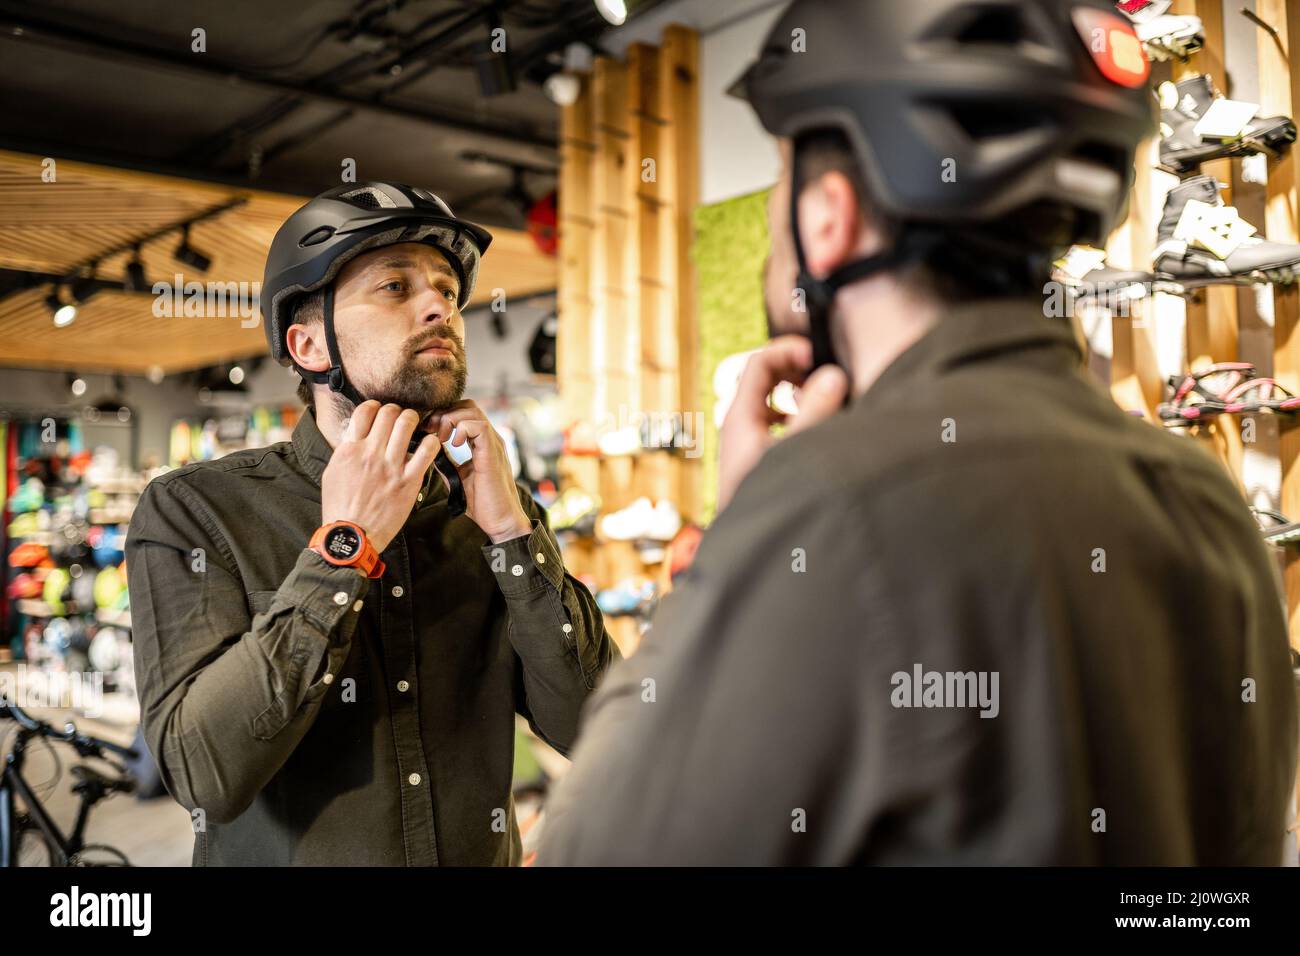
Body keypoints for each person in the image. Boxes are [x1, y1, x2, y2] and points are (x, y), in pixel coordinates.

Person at [537, 0, 1298, 864]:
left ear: (829, 218)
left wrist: (735, 540)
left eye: (785, 181)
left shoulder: (828, 507)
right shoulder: (1204, 496)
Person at [127, 182, 616, 866]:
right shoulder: (198, 511)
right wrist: (343, 549)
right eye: (395, 286)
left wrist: (512, 536)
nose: (439, 306)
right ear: (308, 344)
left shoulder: (489, 508)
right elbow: (202, 775)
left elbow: (599, 731)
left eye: (447, 290)